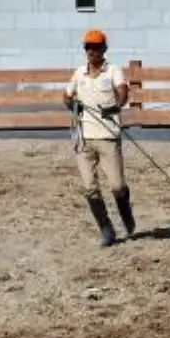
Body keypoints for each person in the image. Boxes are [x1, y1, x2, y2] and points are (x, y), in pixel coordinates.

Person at [62, 29, 136, 247]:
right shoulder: (78, 73)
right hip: (84, 139)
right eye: (88, 47)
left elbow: (122, 93)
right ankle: (106, 229)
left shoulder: (113, 71)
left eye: (96, 46)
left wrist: (115, 106)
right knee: (89, 186)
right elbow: (66, 97)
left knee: (117, 186)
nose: (92, 51)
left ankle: (126, 214)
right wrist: (72, 104)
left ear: (104, 49)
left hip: (107, 137)